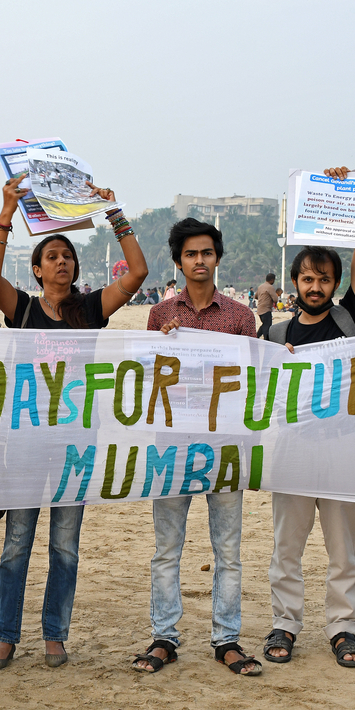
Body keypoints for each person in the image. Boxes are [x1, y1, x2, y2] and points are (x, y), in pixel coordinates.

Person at [0, 175, 148, 671]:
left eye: (67, 256)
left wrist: (114, 213)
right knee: (16, 545)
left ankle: (55, 635)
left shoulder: (90, 310)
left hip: (77, 446)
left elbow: (136, 273)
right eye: (51, 256)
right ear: (36, 269)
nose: (61, 261)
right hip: (25, 446)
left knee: (66, 548)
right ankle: (5, 637)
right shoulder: (25, 311)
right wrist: (6, 212)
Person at [133, 217, 260, 677]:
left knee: (228, 550)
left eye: (207, 252)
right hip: (172, 442)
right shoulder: (160, 315)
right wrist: (158, 349)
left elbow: (255, 377)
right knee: (167, 548)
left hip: (225, 443)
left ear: (217, 257)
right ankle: (164, 636)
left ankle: (226, 638)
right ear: (179, 261)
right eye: (191, 254)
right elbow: (145, 378)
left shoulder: (241, 317)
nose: (200, 260)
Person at [264, 166, 355, 669]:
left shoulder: (351, 318)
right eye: (307, 278)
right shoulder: (274, 334)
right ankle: (284, 623)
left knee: (342, 548)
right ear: (294, 282)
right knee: (287, 546)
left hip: (344, 449)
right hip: (292, 452)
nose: (315, 285)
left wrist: (350, 200)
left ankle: (342, 629)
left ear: (335, 283)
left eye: (323, 278)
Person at [255, 273, 277, 340]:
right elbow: (275, 299)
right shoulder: (270, 287)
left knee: (264, 324)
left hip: (259, 309)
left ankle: (256, 336)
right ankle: (266, 339)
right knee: (267, 326)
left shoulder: (260, 286)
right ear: (272, 280)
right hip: (266, 309)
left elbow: (256, 296)